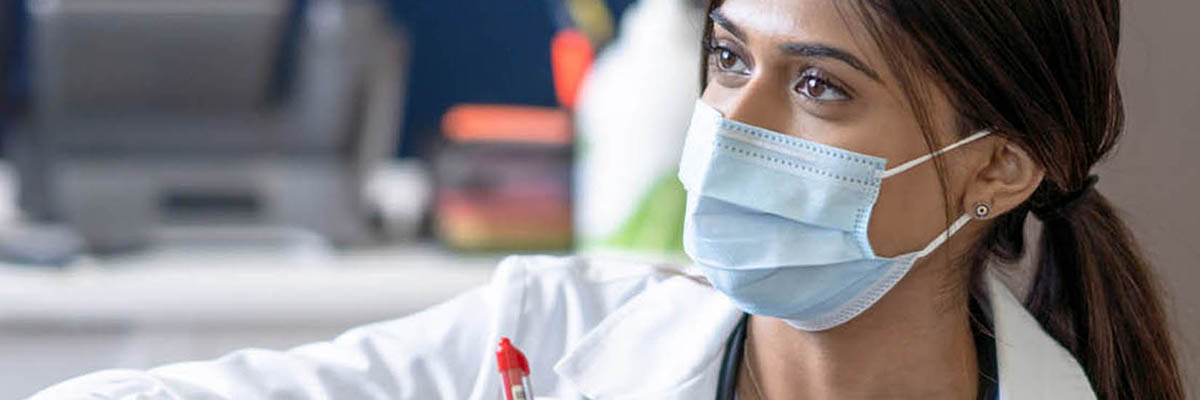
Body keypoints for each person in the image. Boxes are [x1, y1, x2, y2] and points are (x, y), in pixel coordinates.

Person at [33, 0, 1184, 399]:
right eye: (731, 58)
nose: (734, 121)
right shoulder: (546, 339)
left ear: (1000, 165)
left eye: (821, 86)